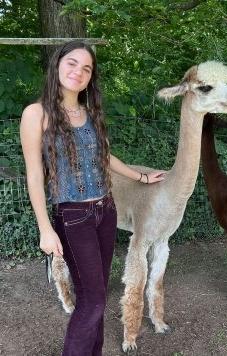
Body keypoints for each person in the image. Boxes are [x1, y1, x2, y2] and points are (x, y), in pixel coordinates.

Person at [20, 40, 165, 356]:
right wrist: (45, 228)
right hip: (73, 217)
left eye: (86, 68)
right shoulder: (36, 113)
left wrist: (141, 177)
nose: (78, 71)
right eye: (72, 62)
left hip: (105, 211)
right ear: (57, 64)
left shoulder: (89, 112)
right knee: (93, 299)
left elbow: (105, 155)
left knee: (95, 295)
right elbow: (34, 175)